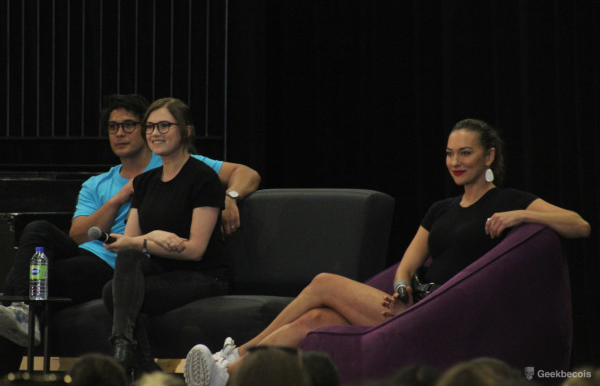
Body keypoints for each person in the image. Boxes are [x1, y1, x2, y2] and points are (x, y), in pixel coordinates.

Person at [183, 118, 590, 386]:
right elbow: (408, 265)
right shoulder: (441, 209)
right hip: (414, 304)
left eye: (465, 153)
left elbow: (579, 225)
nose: (455, 161)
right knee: (315, 319)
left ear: (489, 156)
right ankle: (231, 375)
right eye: (449, 153)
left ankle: (235, 352)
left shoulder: (508, 199)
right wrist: (400, 287)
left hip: (441, 315)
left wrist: (521, 214)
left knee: (324, 283)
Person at [0, 94, 260, 365]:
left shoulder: (185, 166)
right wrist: (118, 199)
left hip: (124, 262)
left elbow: (246, 174)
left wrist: (230, 196)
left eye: (129, 125)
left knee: (23, 279)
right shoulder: (106, 183)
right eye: (113, 127)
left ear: (184, 131)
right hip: (101, 250)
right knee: (37, 233)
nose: (120, 133)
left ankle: (23, 331)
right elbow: (78, 236)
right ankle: (24, 314)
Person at [101, 97, 231, 378]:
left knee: (118, 293)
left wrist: (144, 240)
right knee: (119, 278)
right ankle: (130, 352)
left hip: (203, 274)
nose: (155, 133)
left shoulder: (203, 178)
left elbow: (195, 250)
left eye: (164, 126)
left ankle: (135, 361)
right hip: (161, 270)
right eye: (150, 127)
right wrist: (153, 237)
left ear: (186, 131)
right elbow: (131, 243)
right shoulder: (145, 182)